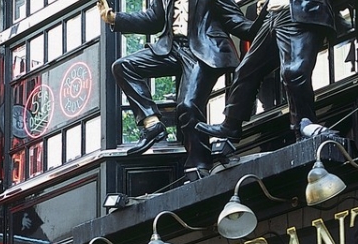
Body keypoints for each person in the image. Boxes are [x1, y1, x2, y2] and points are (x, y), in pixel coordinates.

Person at [97, 0, 257, 178]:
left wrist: (265, 19)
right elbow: (154, 20)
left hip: (203, 49)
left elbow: (234, 19)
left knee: (187, 105)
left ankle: (200, 163)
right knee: (122, 66)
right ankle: (152, 125)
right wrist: (115, 18)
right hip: (171, 48)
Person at [197, 0, 338, 142]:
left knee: (293, 71)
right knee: (246, 69)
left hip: (298, 11)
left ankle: (304, 124)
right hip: (272, 16)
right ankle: (231, 125)